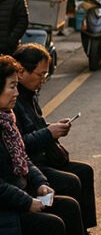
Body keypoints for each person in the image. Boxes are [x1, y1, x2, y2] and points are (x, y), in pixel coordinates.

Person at [11, 45, 95, 231]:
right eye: (40, 75)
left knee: (84, 172)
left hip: (35, 166)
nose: (43, 80)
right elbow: (21, 148)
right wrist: (49, 133)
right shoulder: (11, 109)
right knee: (70, 186)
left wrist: (51, 128)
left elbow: (24, 144)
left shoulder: (28, 96)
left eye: (46, 75)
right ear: (21, 72)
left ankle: (83, 227)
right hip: (31, 170)